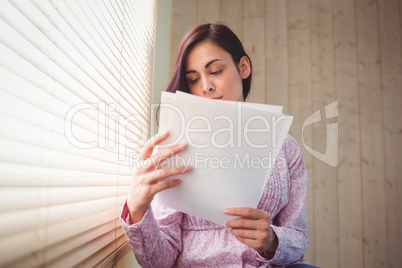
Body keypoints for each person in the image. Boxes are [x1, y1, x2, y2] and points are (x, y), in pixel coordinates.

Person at [120, 23, 315, 268]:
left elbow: (298, 239)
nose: (206, 86)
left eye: (216, 70)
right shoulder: (176, 148)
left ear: (243, 67)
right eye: (193, 79)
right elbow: (160, 261)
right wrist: (138, 212)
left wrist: (271, 240)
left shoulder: (286, 148)